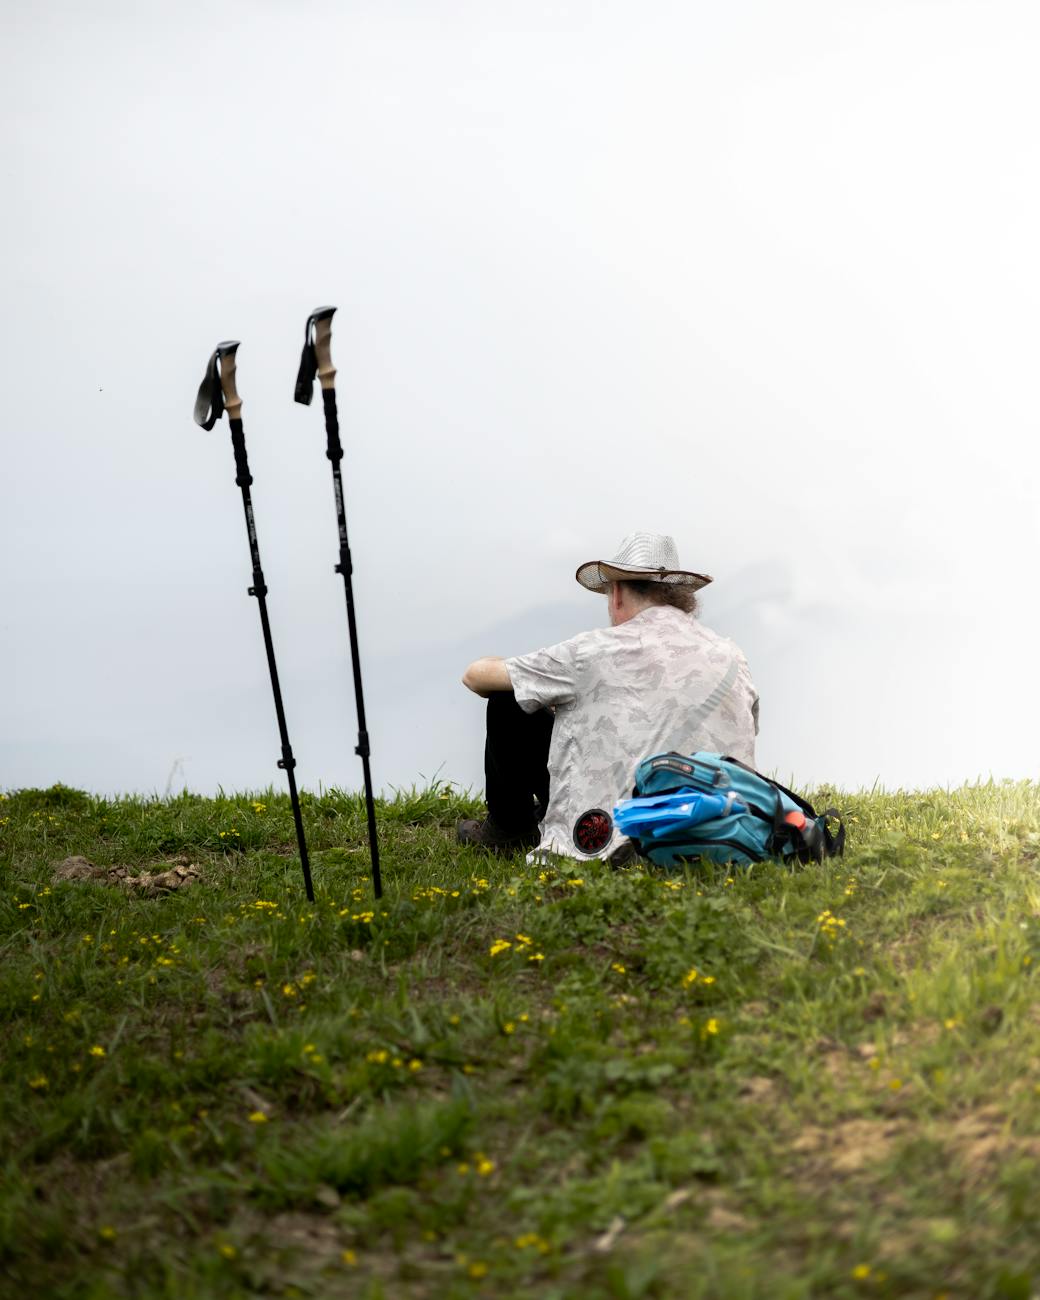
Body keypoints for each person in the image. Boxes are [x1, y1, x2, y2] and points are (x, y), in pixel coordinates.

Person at [458, 532, 760, 862]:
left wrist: (547, 691)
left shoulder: (592, 652)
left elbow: (475, 676)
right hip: (722, 823)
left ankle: (508, 828)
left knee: (509, 701)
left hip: (610, 825)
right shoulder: (731, 654)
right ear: (679, 597)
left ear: (616, 593)